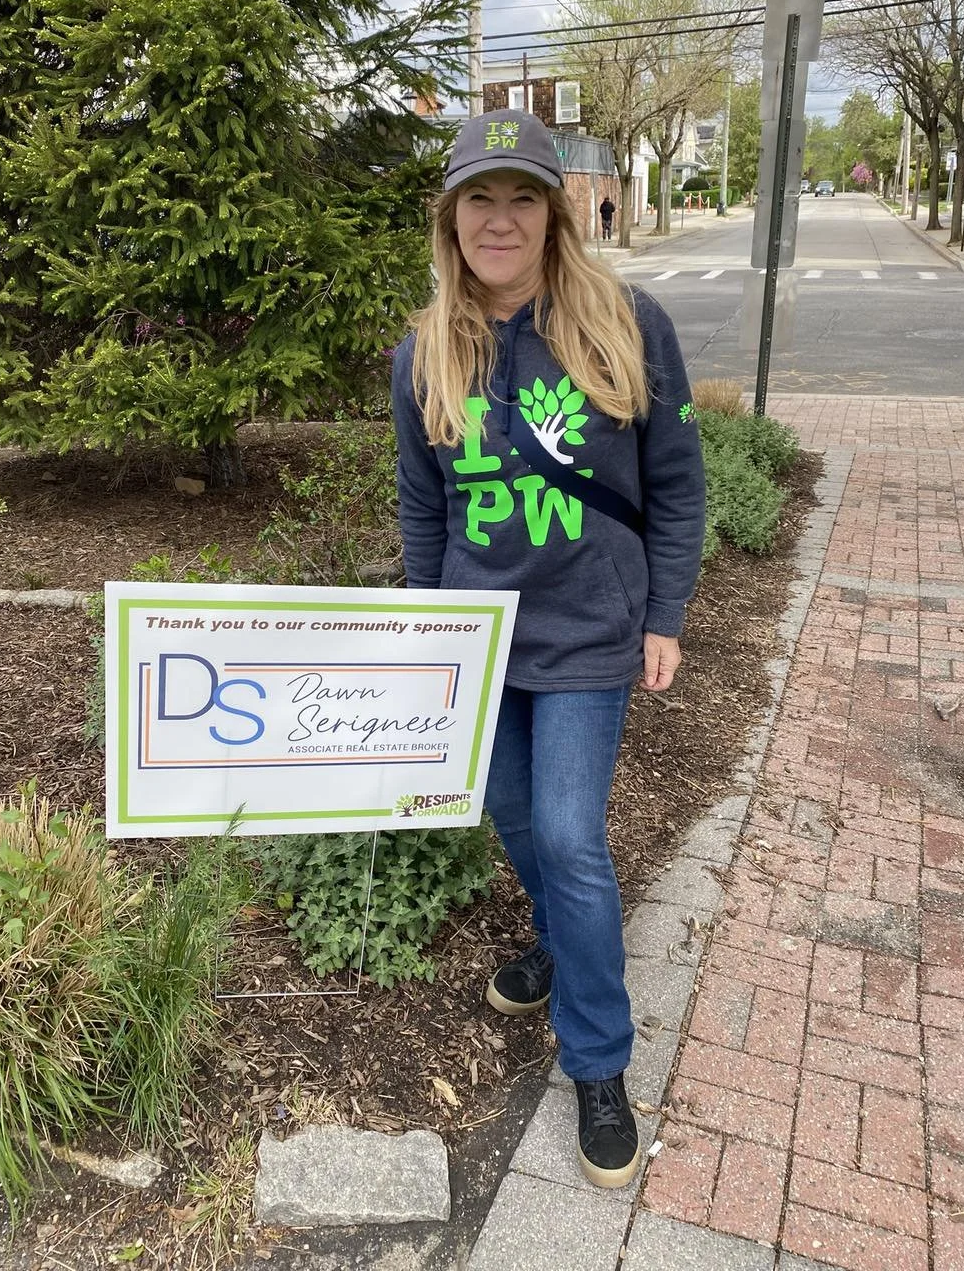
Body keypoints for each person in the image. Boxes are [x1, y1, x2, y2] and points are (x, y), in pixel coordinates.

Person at [390, 111, 706, 1189]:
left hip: (585, 634)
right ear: (451, 218)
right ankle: (566, 948)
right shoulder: (423, 354)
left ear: (556, 212)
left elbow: (674, 481)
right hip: (478, 642)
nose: (501, 218)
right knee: (515, 822)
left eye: (522, 195)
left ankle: (598, 1059)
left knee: (570, 838)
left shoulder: (625, 322)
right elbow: (423, 514)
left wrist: (664, 614)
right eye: (481, 198)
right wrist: (425, 643)